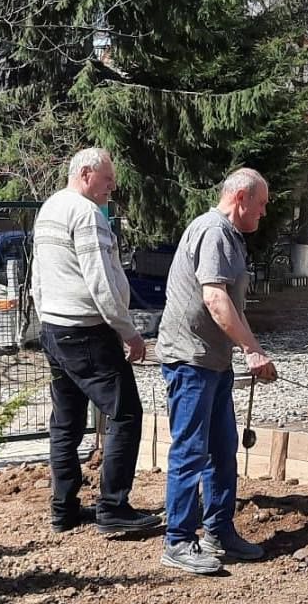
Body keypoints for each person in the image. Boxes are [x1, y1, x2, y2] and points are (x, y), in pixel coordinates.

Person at [31, 148, 161, 535]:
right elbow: (101, 279)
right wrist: (129, 332)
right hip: (86, 331)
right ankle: (113, 508)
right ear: (86, 174)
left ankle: (63, 508)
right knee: (125, 413)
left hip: (54, 329)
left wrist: (45, 316)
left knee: (66, 423)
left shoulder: (50, 208)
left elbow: (38, 274)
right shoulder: (88, 215)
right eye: (108, 180)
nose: (112, 188)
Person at [155, 168, 278, 574]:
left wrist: (243, 349)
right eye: (260, 205)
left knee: (223, 451)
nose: (263, 214)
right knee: (190, 452)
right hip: (190, 361)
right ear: (241, 198)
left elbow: (230, 305)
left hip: (212, 362)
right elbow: (215, 299)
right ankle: (178, 540)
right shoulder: (214, 231)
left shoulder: (228, 236)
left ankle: (219, 531)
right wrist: (252, 350)